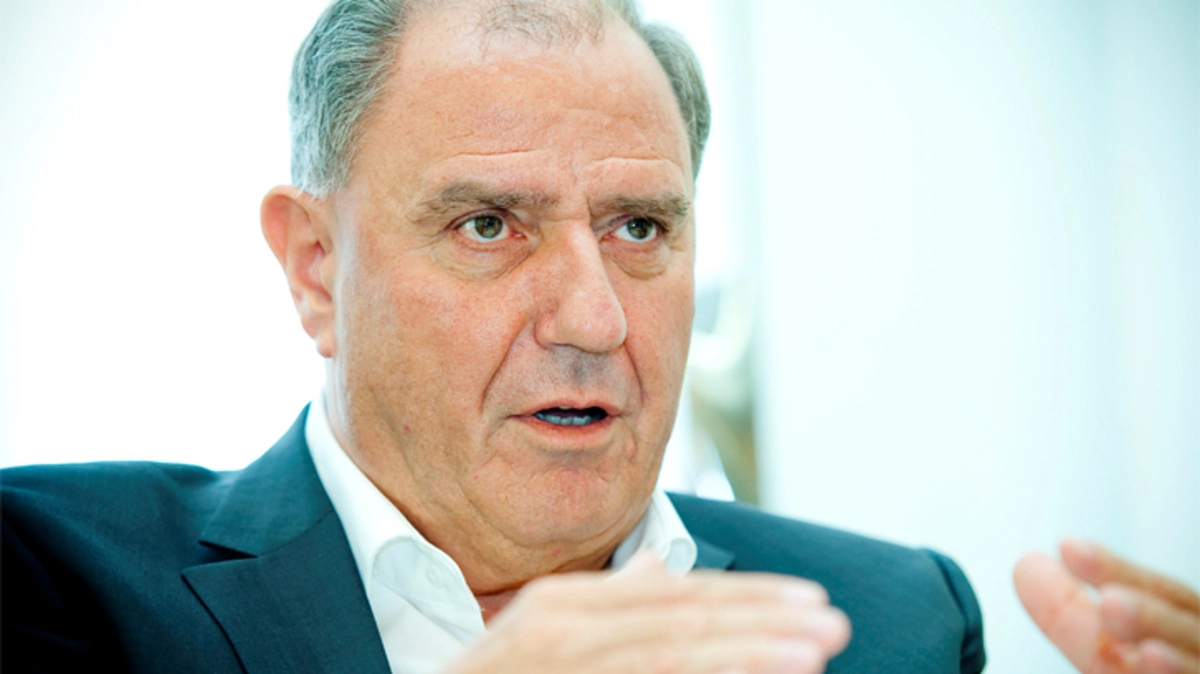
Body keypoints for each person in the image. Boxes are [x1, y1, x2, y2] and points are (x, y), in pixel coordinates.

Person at [2, 1, 1195, 673]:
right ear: (316, 267)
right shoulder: (53, 577)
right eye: (487, 224)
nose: (593, 317)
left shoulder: (891, 620)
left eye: (639, 226)